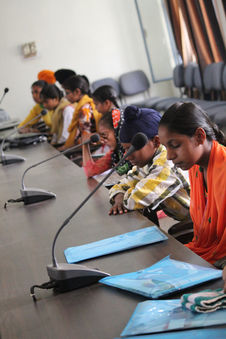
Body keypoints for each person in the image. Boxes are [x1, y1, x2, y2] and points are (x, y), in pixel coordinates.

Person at [158, 102, 226, 292]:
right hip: (211, 249)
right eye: (166, 147)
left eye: (175, 145)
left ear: (199, 136)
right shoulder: (197, 168)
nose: (169, 156)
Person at [109, 105, 191, 224]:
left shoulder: (167, 163)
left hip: (206, 223)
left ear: (156, 141)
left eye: (132, 149)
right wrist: (119, 196)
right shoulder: (148, 161)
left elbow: (134, 201)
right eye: (125, 149)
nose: (127, 156)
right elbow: (120, 185)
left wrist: (124, 195)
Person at [82, 86, 132, 177]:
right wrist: (84, 145)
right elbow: (90, 172)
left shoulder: (137, 153)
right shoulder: (116, 153)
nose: (103, 140)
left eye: (96, 104)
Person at [59, 75, 102, 151]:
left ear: (77, 92)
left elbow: (86, 139)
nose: (66, 97)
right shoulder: (84, 104)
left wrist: (67, 148)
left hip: (91, 149)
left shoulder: (84, 110)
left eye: (67, 93)